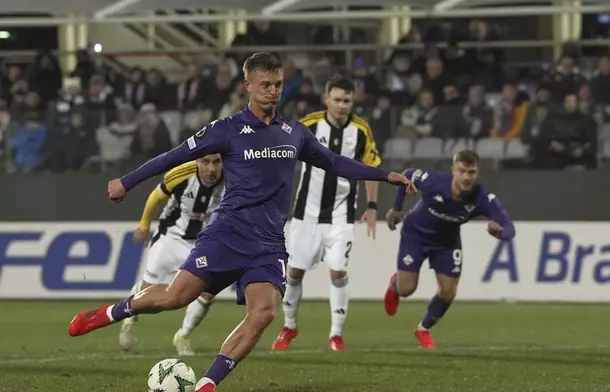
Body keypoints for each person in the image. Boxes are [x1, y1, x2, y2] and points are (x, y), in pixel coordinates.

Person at [68, 52, 415, 392]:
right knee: (176, 297)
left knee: (263, 313)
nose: (272, 91)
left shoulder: (294, 132)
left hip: (269, 244)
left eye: (278, 84)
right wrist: (127, 182)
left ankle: (207, 384)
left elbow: (336, 163)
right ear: (247, 84)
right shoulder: (226, 130)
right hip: (227, 233)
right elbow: (175, 155)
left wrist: (386, 176)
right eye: (265, 84)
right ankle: (112, 313)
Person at [272, 77, 380, 352]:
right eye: (338, 100)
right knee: (293, 272)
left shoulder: (361, 130)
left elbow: (371, 167)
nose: (343, 105)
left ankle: (335, 335)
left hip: (341, 216)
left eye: (347, 100)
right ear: (326, 99)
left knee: (338, 272)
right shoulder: (308, 124)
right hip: (305, 214)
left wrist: (372, 206)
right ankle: (289, 327)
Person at [383, 150, 515, 350]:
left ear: (477, 173)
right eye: (462, 171)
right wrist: (397, 207)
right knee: (406, 289)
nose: (466, 177)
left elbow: (509, 228)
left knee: (448, 292)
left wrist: (500, 233)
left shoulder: (482, 198)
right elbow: (407, 175)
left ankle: (423, 329)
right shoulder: (434, 182)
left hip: (447, 242)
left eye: (471, 172)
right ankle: (395, 285)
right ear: (454, 170)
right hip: (416, 235)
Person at [119, 154, 225, 356]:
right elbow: (156, 197)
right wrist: (143, 225)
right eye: (206, 162)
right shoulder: (181, 174)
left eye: (216, 162)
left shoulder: (234, 178)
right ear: (197, 162)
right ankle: (131, 315)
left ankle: (182, 336)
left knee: (209, 291)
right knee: (151, 296)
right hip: (171, 238)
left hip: (202, 244)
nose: (211, 168)